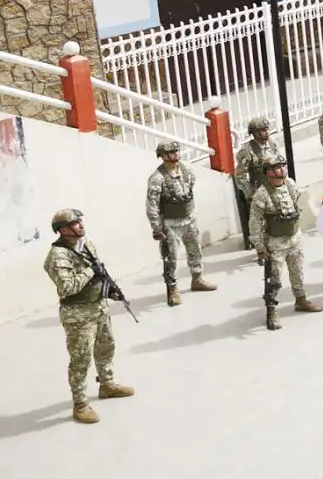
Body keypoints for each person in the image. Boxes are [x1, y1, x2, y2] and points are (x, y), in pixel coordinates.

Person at [43, 209, 133, 423]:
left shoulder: (87, 243)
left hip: (98, 306)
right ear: (63, 230)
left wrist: (108, 289)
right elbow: (66, 287)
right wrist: (91, 271)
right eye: (75, 223)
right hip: (78, 315)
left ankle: (107, 384)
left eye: (80, 221)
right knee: (80, 359)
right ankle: (80, 404)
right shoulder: (57, 256)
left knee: (106, 347)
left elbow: (99, 270)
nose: (81, 225)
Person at [249, 156, 320, 330]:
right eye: (277, 167)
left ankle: (301, 299)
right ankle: (272, 310)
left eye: (283, 165)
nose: (282, 169)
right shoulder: (262, 194)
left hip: (294, 238)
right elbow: (255, 222)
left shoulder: (290, 184)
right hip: (275, 243)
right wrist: (259, 248)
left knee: (297, 271)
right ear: (268, 172)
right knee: (274, 278)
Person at [146, 140, 211, 306]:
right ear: (163, 156)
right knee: (171, 257)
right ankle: (172, 287)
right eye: (172, 152)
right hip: (170, 224)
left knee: (195, 249)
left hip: (189, 219)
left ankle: (197, 278)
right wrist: (156, 227)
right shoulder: (157, 178)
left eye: (177, 151)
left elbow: (191, 186)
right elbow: (152, 205)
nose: (176, 154)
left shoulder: (186, 169)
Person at [233, 116, 281, 250]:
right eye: (261, 131)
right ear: (253, 133)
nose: (265, 133)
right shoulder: (247, 150)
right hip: (259, 189)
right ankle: (263, 249)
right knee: (261, 223)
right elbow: (240, 175)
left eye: (266, 130)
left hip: (275, 186)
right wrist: (250, 194)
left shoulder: (272, 143)